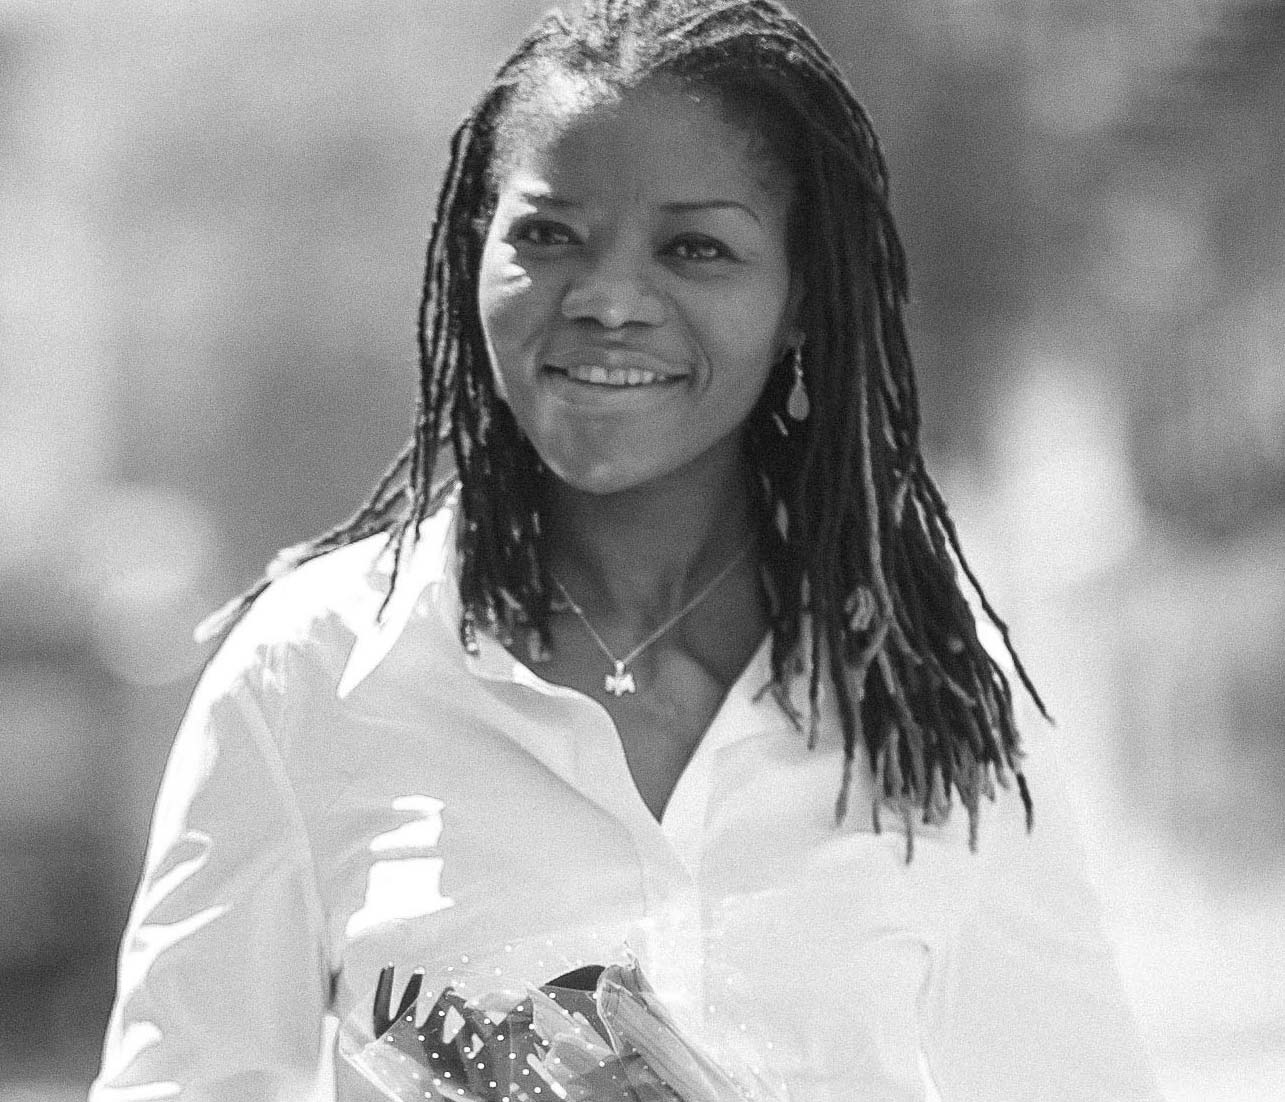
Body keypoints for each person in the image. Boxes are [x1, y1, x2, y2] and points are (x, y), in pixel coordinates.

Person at [91, 1, 1162, 1099]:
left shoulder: (933, 692)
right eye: (548, 235)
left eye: (695, 248)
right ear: (472, 256)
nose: (606, 299)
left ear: (799, 298)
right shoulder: (310, 674)